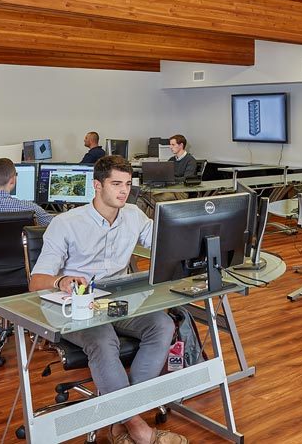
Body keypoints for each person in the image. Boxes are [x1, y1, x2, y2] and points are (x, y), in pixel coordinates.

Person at [29, 156, 187, 444]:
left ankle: (121, 418)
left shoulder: (134, 215)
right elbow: (36, 281)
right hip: (79, 306)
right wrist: (61, 281)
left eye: (127, 184)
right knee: (103, 342)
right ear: (97, 186)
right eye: (116, 184)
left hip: (120, 302)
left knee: (163, 325)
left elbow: (168, 243)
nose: (123, 191)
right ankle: (136, 425)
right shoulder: (65, 223)